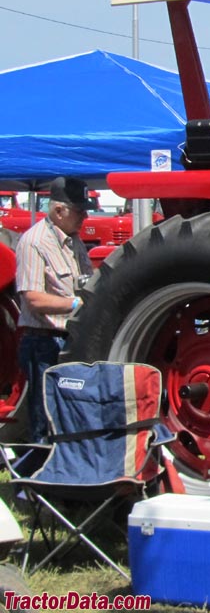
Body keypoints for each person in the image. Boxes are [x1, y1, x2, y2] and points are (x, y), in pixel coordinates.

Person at [15, 177, 94, 442]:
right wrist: (75, 304)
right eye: (79, 210)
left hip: (68, 339)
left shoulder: (74, 241)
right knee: (43, 417)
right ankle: (33, 479)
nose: (84, 216)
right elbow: (33, 299)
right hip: (44, 343)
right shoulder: (34, 242)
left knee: (67, 416)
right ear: (58, 210)